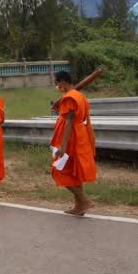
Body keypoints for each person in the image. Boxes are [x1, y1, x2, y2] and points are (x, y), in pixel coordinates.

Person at [49, 71, 97, 216]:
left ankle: (84, 200)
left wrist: (63, 146)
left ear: (63, 82)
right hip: (78, 135)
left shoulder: (70, 97)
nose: (57, 86)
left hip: (71, 138)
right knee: (74, 173)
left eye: (57, 83)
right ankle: (79, 206)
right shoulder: (79, 95)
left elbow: (69, 121)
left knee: (60, 171)